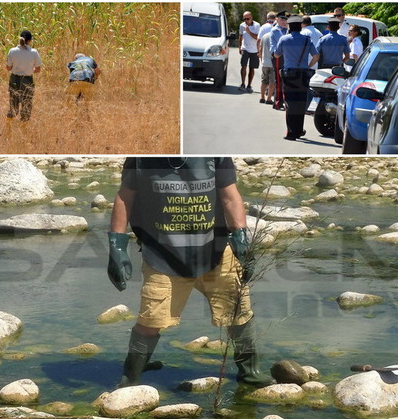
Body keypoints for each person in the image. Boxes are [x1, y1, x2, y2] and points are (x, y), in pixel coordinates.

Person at [107, 157, 274, 389]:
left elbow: (229, 195)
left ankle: (250, 371)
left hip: (215, 249)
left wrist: (240, 236)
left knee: (239, 310)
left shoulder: (215, 153)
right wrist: (117, 245)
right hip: (161, 254)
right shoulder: (141, 157)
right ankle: (132, 376)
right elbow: (126, 196)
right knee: (151, 318)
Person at [274, 15, 319, 140]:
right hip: (303, 74)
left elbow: (277, 55)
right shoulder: (306, 39)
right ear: (300, 27)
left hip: (289, 74)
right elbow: (316, 56)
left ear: (289, 26)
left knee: (289, 103)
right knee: (300, 103)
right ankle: (299, 130)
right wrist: (308, 65)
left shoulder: (284, 39)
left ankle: (291, 132)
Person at [6, 30, 42, 121]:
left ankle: (9, 128)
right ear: (30, 40)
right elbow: (38, 69)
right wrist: (30, 70)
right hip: (27, 80)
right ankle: (23, 129)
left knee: (13, 106)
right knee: (26, 106)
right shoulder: (34, 52)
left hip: (14, 79)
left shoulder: (12, 51)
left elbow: (8, 68)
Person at [269, 11, 289, 110]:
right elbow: (282, 42)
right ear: (277, 20)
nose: (284, 22)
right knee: (279, 80)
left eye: (285, 20)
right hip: (278, 56)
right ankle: (277, 102)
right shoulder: (275, 30)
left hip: (288, 57)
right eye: (282, 19)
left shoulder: (288, 30)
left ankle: (285, 101)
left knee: (287, 80)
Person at [238, 11, 260, 93]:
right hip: (245, 48)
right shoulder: (242, 25)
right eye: (244, 19)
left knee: (252, 68)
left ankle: (249, 85)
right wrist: (240, 47)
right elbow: (240, 36)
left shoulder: (257, 25)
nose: (246, 20)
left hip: (254, 50)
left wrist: (249, 32)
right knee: (243, 66)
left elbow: (257, 37)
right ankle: (242, 83)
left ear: (251, 18)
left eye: (247, 19)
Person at [257, 30, 275, 105]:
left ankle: (262, 97)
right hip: (273, 62)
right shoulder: (276, 36)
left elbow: (260, 49)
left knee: (264, 81)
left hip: (265, 62)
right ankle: (269, 99)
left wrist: (261, 60)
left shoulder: (264, 36)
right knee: (272, 82)